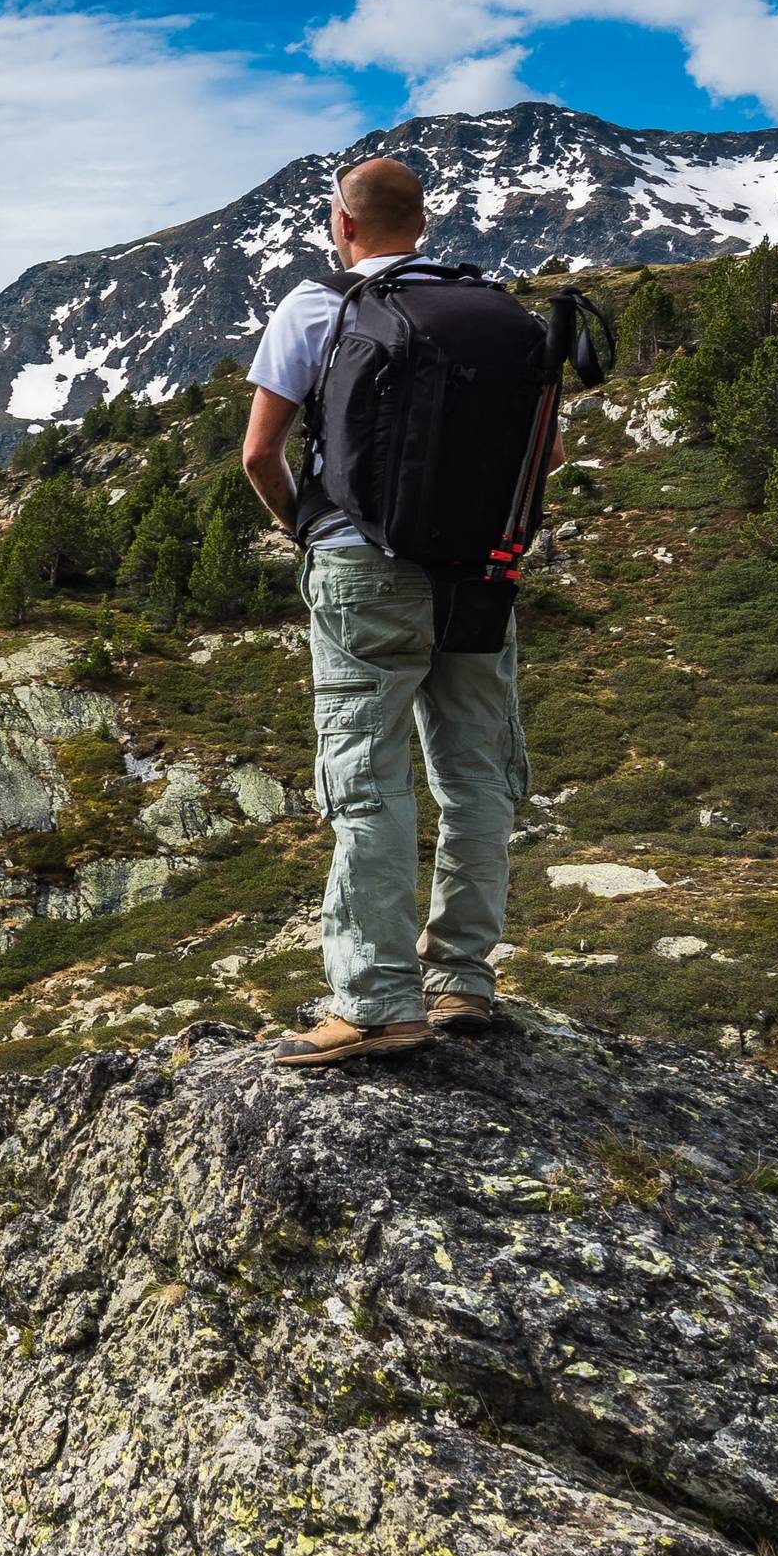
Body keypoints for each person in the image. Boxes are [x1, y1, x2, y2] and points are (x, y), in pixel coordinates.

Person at [236, 156, 527, 1066]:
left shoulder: (317, 307)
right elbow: (542, 452)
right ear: (425, 225)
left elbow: (258, 454)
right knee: (475, 775)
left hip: (361, 572)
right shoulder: (500, 315)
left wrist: (310, 529)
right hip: (480, 574)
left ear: (343, 225)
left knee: (367, 781)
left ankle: (373, 1001)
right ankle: (463, 983)